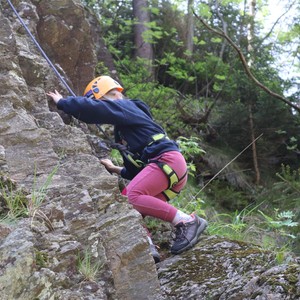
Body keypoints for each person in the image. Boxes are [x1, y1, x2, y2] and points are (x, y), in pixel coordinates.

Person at [47, 75, 207, 263]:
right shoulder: (124, 130)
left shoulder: (127, 106)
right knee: (130, 207)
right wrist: (115, 168)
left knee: (130, 197)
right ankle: (146, 245)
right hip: (168, 168)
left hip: (166, 161)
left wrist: (63, 102)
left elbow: (95, 110)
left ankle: (186, 221)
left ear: (108, 96)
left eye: (102, 102)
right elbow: (137, 172)